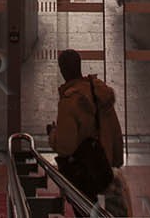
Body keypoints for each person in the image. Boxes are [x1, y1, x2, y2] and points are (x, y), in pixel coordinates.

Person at [47, 49, 125, 214]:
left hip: (83, 169)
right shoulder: (98, 91)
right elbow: (114, 128)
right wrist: (116, 158)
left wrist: (52, 134)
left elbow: (65, 146)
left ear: (62, 71)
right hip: (104, 161)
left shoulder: (69, 102)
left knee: (84, 209)